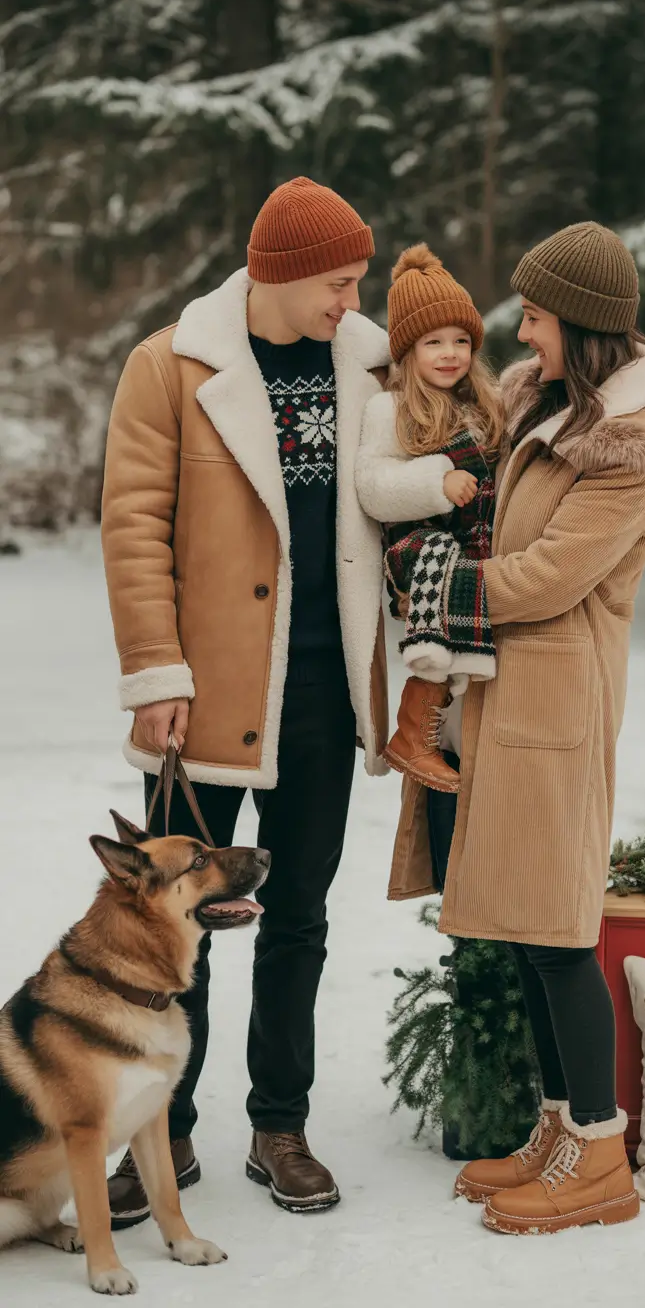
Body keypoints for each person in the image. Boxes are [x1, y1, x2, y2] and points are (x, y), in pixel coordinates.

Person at [385, 222, 645, 1234]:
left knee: (560, 931)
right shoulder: (545, 406)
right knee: (528, 933)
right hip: (505, 694)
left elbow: (548, 576)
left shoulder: (633, 448)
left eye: (532, 316)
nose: (516, 331)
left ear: (575, 324)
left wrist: (436, 581)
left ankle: (599, 1153)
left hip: (558, 702)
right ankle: (556, 1128)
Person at [100, 176, 391, 1222]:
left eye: (358, 281)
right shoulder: (170, 364)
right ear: (278, 275)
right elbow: (134, 522)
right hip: (201, 698)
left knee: (298, 917)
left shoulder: (373, 362)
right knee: (172, 928)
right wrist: (155, 673)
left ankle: (280, 1125)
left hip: (325, 690)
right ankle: (161, 1137)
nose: (350, 301)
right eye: (338, 281)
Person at [356, 245, 504, 794]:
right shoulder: (389, 410)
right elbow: (371, 486)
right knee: (446, 571)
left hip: (471, 546)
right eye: (433, 342)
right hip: (417, 546)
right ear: (407, 350)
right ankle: (413, 730)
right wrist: (436, 482)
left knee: (464, 580)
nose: (450, 354)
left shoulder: (483, 405)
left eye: (461, 341)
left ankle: (432, 726)